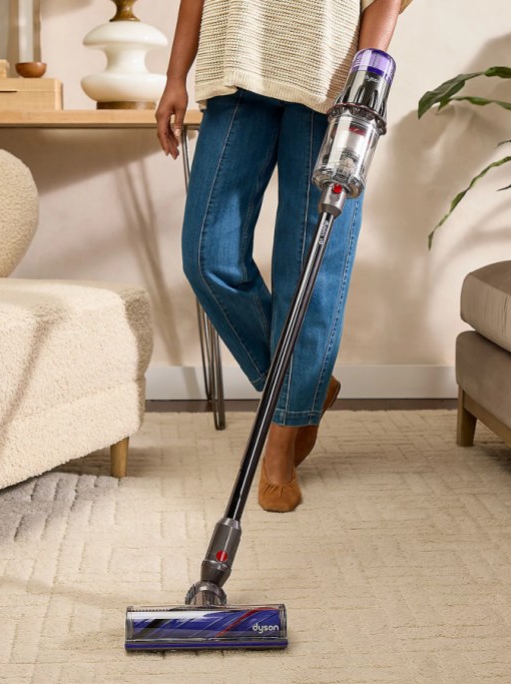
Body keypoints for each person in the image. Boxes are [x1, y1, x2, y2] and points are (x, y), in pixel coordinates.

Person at [156, 0, 408, 513]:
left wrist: (368, 77)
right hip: (236, 76)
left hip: (330, 86)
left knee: (309, 273)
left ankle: (279, 448)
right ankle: (304, 384)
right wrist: (174, 77)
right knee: (208, 256)